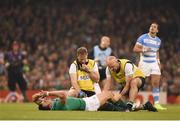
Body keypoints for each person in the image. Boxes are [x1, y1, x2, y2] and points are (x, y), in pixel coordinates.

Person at [133, 22, 166, 110]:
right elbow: (135, 49)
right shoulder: (143, 37)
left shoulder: (158, 40)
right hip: (144, 63)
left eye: (154, 27)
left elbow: (157, 51)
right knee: (139, 83)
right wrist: (144, 49)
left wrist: (158, 62)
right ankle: (132, 101)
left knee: (156, 83)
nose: (152, 28)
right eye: (151, 26)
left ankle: (157, 103)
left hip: (154, 63)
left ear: (157, 30)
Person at [32, 90, 157, 112]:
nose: (45, 99)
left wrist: (39, 97)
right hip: (88, 104)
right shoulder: (56, 106)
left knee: (115, 107)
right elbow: (64, 95)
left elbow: (35, 100)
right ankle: (128, 107)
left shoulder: (54, 105)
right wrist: (47, 93)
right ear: (46, 107)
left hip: (88, 102)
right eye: (44, 101)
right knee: (109, 95)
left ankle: (144, 106)